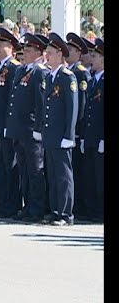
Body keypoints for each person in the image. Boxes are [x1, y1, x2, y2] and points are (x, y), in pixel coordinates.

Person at [5, 33, 49, 222]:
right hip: (20, 130)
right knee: (24, 170)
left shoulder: (40, 72)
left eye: (29, 50)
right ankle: (28, 204)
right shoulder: (23, 70)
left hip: (31, 131)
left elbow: (41, 104)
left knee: (35, 170)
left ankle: (37, 207)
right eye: (25, 49)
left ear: (39, 52)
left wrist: (39, 129)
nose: (25, 52)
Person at [42, 32, 78, 226]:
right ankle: (56, 210)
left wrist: (68, 135)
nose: (47, 55)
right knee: (53, 175)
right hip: (50, 134)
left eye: (50, 52)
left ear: (59, 55)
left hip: (61, 135)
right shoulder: (50, 77)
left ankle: (66, 214)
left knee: (64, 176)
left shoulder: (67, 77)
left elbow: (72, 109)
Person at [0, 27, 22, 218]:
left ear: (11, 47)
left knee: (10, 166)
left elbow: (11, 101)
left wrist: (9, 125)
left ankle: (12, 203)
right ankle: (2, 202)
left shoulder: (14, 68)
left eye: (2, 44)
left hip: (6, 126)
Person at [65, 33, 92, 219]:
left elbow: (81, 106)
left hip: (77, 131)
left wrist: (76, 132)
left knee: (77, 171)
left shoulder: (81, 72)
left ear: (78, 52)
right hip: (69, 132)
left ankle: (78, 207)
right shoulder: (70, 71)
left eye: (70, 50)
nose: (66, 53)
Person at [81, 38, 104, 222]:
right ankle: (92, 209)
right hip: (90, 137)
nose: (91, 59)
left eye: (95, 56)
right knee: (89, 175)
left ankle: (100, 210)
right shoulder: (93, 79)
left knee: (100, 177)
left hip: (100, 138)